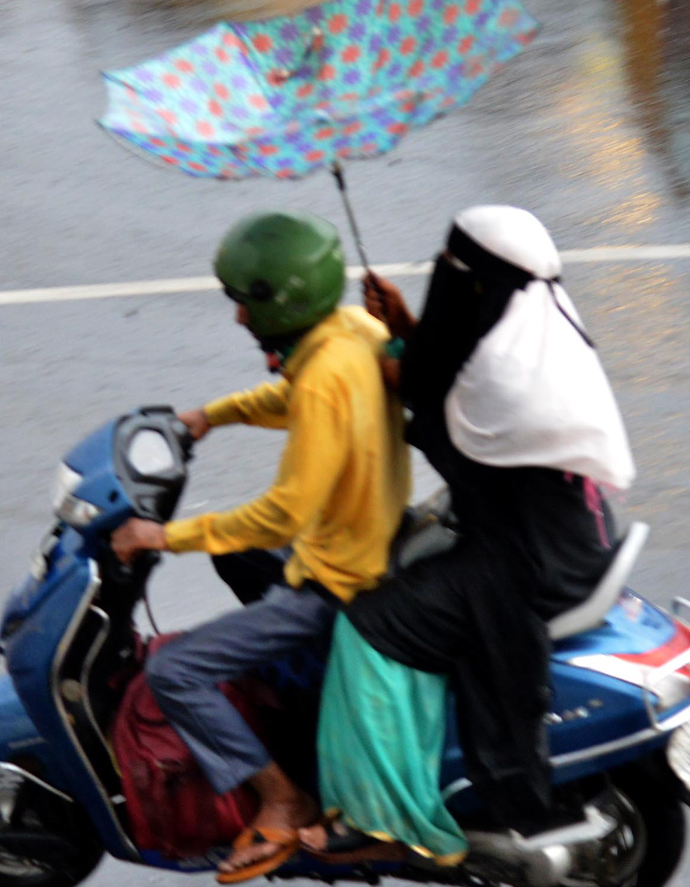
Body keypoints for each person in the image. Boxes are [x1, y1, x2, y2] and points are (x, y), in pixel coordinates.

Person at [299, 206, 636, 864]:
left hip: (519, 564)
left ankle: (384, 819)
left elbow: (430, 402)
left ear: (478, 282)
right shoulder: (534, 331)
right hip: (563, 537)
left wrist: (333, 361)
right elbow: (449, 374)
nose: (445, 281)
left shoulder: (501, 377)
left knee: (368, 625)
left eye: (455, 273)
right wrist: (401, 326)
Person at [110, 210, 411, 883]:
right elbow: (297, 398)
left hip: (338, 583)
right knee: (234, 555)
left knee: (175, 672)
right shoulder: (352, 331)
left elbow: (284, 513)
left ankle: (282, 797)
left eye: (248, 304)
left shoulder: (329, 373)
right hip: (377, 547)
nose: (242, 320)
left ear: (288, 298)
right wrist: (214, 415)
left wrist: (166, 535)